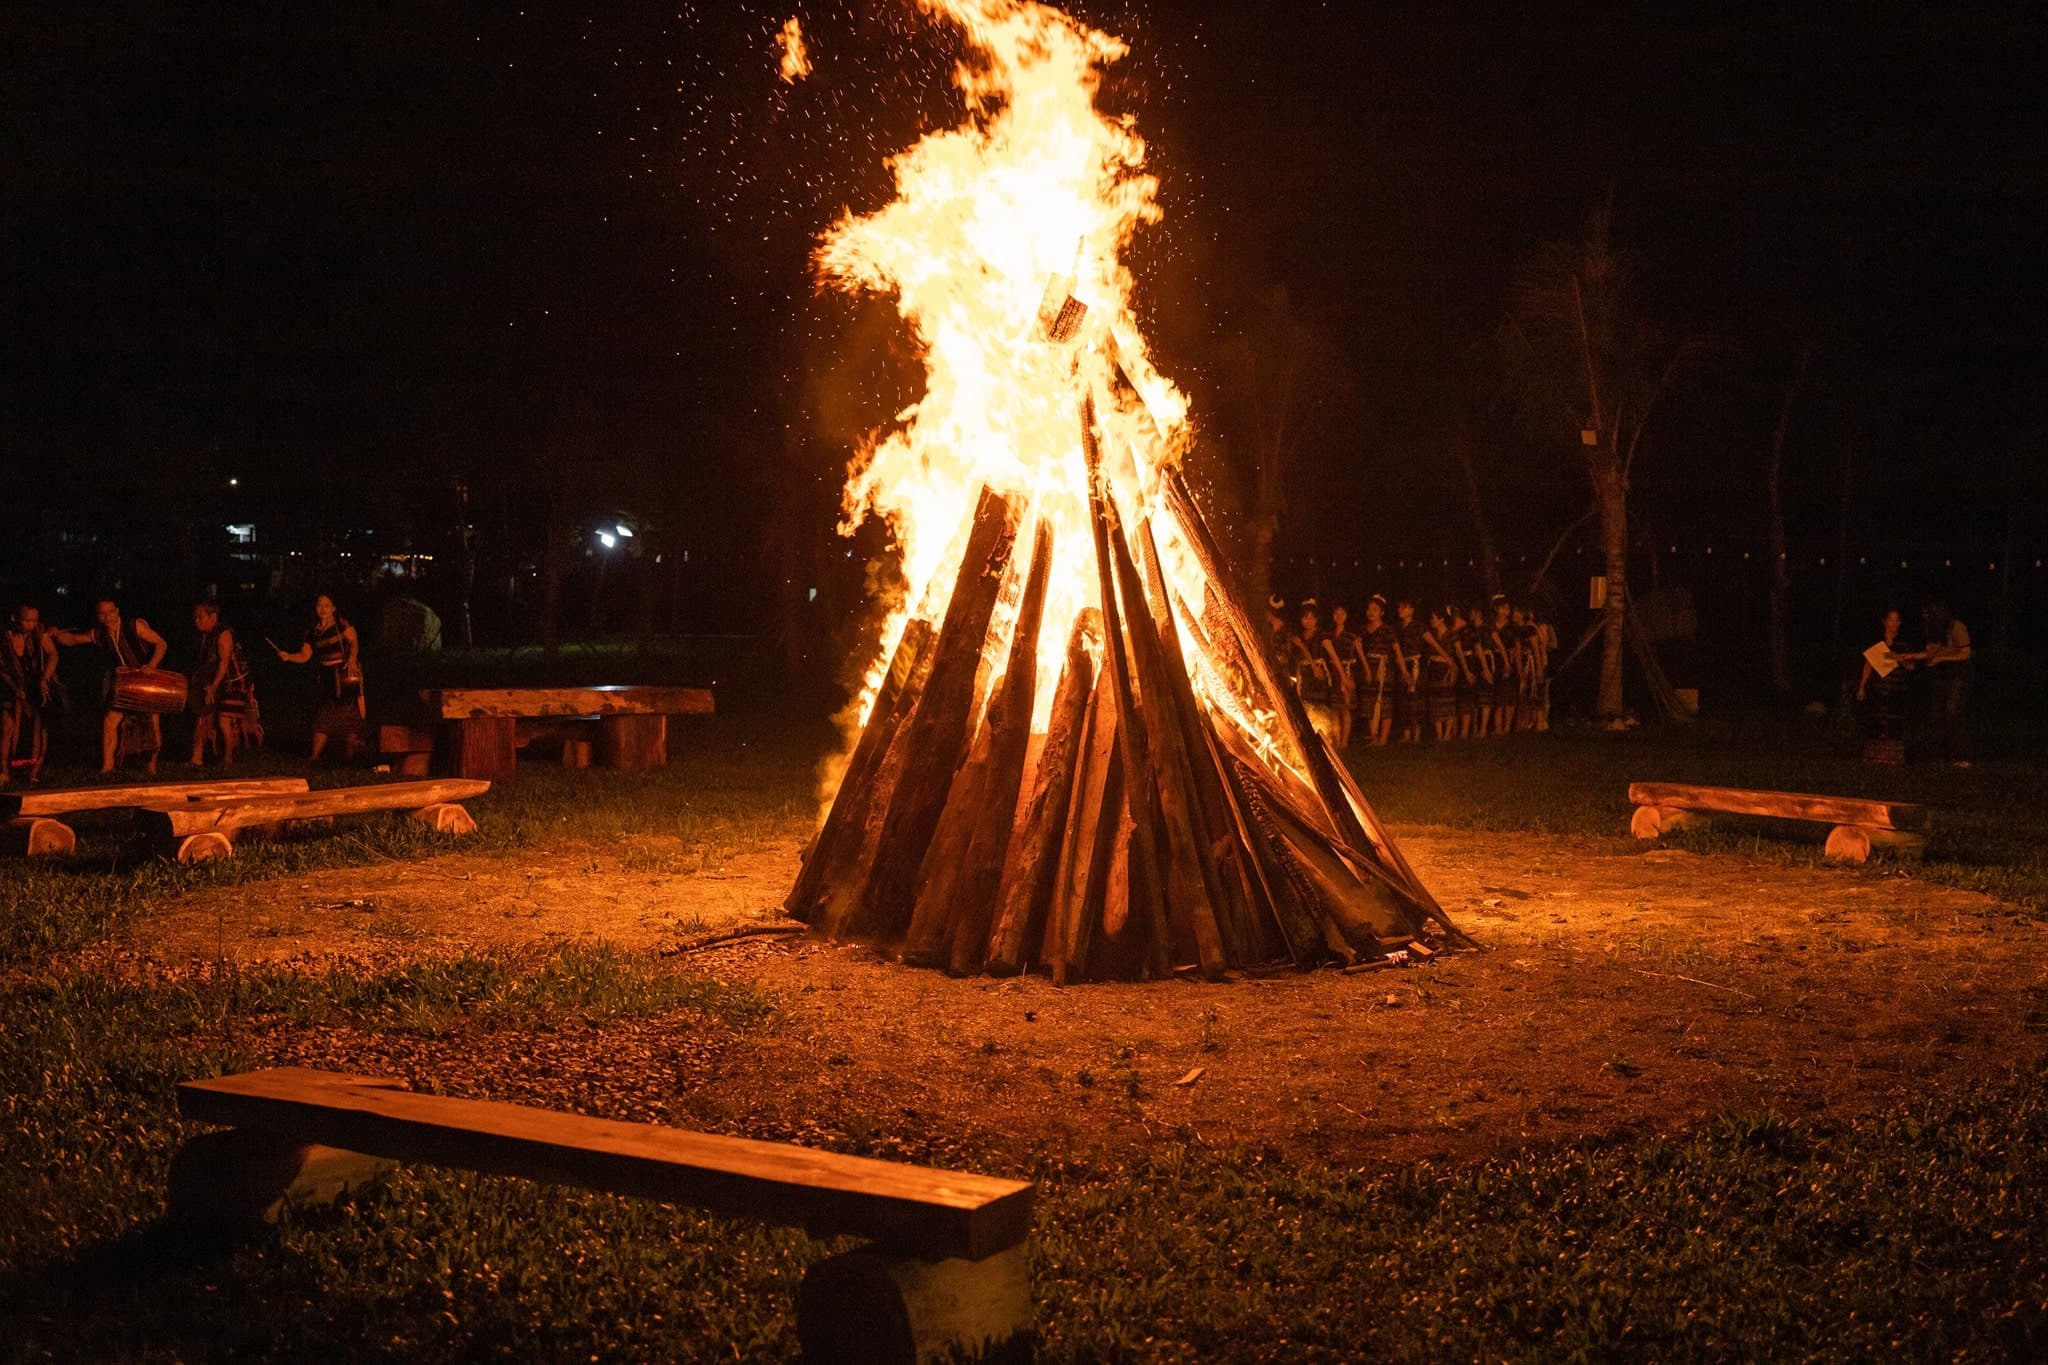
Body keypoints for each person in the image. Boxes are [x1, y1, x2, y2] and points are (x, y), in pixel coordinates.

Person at [51, 598, 168, 774]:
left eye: (110, 611)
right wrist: (57, 635)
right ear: (98, 616)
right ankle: (107, 767)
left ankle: (151, 767)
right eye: (102, 613)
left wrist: (151, 665)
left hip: (145, 680)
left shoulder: (135, 626)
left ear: (117, 611)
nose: (107, 616)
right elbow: (74, 640)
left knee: (152, 722)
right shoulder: (99, 634)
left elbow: (161, 643)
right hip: (124, 683)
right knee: (110, 721)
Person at [275, 593, 364, 761]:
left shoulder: (341, 624)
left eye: (326, 605)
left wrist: (352, 659)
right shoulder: (312, 631)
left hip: (345, 675)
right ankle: (315, 756)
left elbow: (354, 641)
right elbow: (304, 656)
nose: (322, 609)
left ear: (333, 608)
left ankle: (350, 757)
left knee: (349, 714)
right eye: (319, 605)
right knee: (324, 714)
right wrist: (289, 656)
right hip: (327, 677)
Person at [188, 601, 258, 767]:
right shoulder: (205, 635)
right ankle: (196, 758)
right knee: (202, 715)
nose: (196, 621)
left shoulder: (223, 634)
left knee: (223, 720)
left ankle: (228, 757)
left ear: (213, 617)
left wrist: (213, 687)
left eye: (200, 617)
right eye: (195, 617)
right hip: (217, 680)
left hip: (234, 681)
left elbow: (224, 663)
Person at [1, 603, 59, 786]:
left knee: (40, 729)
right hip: (8, 685)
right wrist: (13, 686)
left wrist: (45, 679)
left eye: (34, 620)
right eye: (26, 620)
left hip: (34, 686)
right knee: (7, 727)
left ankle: (34, 772)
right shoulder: (4, 638)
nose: (31, 624)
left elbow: (53, 655)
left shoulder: (38, 634)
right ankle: (4, 771)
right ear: (15, 619)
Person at [1910, 599, 1973, 767]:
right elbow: (1929, 653)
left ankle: (1961, 756)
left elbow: (1966, 653)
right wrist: (1907, 656)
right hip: (1940, 676)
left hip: (1957, 675)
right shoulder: (1932, 630)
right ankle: (1937, 755)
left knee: (1953, 712)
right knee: (1936, 715)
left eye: (1927, 613)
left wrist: (1941, 658)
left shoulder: (1957, 627)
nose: (1924, 617)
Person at [1854, 608, 1911, 765]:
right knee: (1875, 720)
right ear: (1884, 621)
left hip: (1896, 688)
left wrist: (1900, 659)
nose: (1893, 623)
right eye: (1890, 619)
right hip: (1877, 687)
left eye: (1896, 620)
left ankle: (1892, 757)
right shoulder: (1877, 642)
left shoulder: (1903, 644)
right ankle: (1874, 756)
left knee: (1894, 722)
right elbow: (1869, 664)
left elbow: (1911, 665)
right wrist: (1862, 686)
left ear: (1899, 623)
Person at [1356, 595, 1397, 746]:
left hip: (1383, 668)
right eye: (1369, 609)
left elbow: (1396, 649)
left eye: (1375, 610)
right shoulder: (1363, 630)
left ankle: (1384, 737)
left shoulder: (1387, 630)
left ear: (1382, 612)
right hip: (1368, 666)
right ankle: (1373, 735)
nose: (1371, 612)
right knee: (1370, 702)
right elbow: (1359, 649)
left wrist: (1404, 669)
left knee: (1384, 701)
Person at [1326, 603, 1365, 749]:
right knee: (1335, 708)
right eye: (1336, 613)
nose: (1339, 616)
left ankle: (1344, 740)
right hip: (1333, 673)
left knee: (1346, 708)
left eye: (1342, 613)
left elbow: (1359, 655)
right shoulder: (1329, 635)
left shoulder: (1352, 636)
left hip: (1347, 672)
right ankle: (1336, 740)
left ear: (1346, 616)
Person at [1423, 606, 1461, 742]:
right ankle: (1439, 733)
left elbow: (1458, 653)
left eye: (1434, 618)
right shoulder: (1431, 636)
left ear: (1441, 619)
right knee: (1435, 702)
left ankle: (1447, 732)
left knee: (1448, 700)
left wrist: (1456, 668)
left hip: (1447, 669)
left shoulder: (1452, 635)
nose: (1431, 621)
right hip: (1434, 669)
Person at [1392, 598, 1426, 744]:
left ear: (1411, 610)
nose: (1401, 610)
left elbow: (1430, 641)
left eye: (1404, 608)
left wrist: (1448, 659)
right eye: (1399, 608)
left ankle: (1417, 733)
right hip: (1402, 665)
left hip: (1416, 665)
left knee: (1416, 699)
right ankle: (1406, 734)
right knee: (1403, 700)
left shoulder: (1419, 627)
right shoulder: (1397, 628)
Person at [1486, 595, 1520, 735]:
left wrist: (1514, 664)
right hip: (1495, 660)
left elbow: (1517, 646)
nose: (1506, 611)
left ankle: (1507, 727)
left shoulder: (1512, 627)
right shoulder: (1490, 626)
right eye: (1503, 608)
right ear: (1496, 609)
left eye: (1508, 609)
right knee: (1498, 696)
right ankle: (1498, 728)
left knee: (1509, 695)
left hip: (1509, 659)